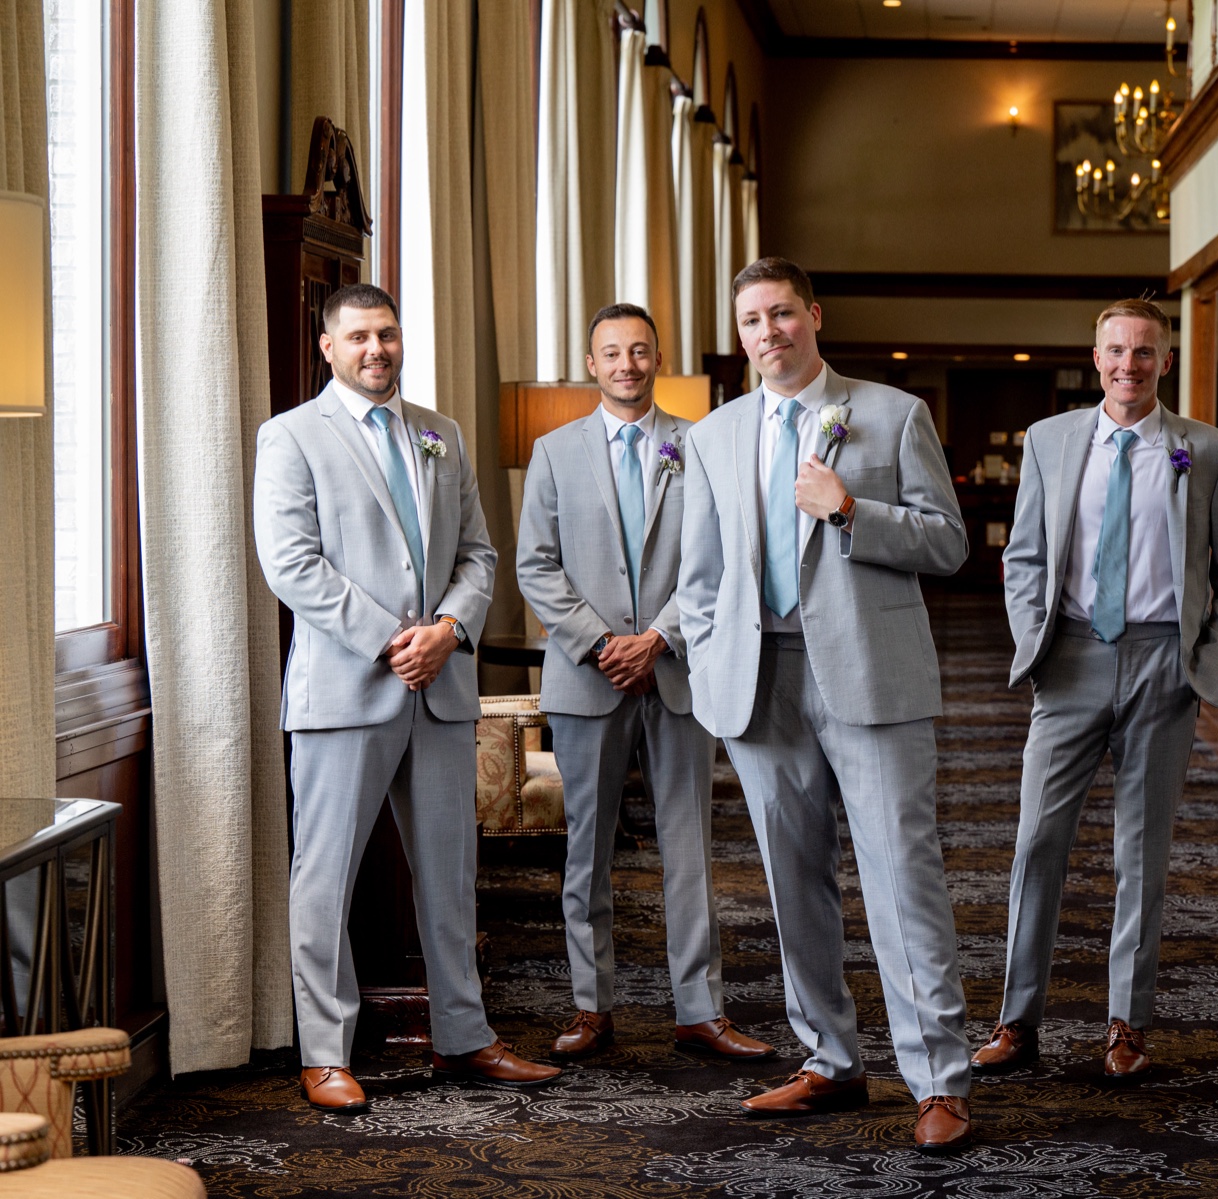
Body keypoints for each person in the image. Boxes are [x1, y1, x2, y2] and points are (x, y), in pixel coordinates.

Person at [676, 256, 974, 1152]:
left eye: (781, 315)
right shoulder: (715, 435)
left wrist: (851, 511)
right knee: (790, 881)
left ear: (814, 315)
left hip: (870, 676)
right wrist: (711, 662)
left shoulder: (892, 413)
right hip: (757, 682)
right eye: (751, 323)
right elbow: (700, 576)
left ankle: (941, 1080)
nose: (768, 334)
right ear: (740, 338)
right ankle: (828, 1060)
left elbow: (951, 543)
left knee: (899, 878)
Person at [254, 283, 560, 1112]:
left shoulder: (441, 433)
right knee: (325, 878)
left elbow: (478, 552)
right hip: (349, 690)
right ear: (328, 347)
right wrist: (396, 638)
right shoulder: (289, 437)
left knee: (451, 876)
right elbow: (291, 563)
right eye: (358, 338)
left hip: (441, 686)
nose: (376, 350)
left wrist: (451, 631)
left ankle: (464, 1035)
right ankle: (325, 1051)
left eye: (386, 334)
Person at [971, 299, 1218, 1082]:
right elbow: (1024, 556)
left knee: (1142, 851)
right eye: (1117, 350)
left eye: (1146, 351)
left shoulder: (1212, 452)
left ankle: (1128, 1022)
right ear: (1096, 358)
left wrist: (1212, 656)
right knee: (1036, 843)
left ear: (1165, 359)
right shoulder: (1051, 441)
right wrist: (1037, 640)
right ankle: (1017, 1020)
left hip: (1165, 662)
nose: (1130, 364)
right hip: (1072, 659)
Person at [516, 302, 774, 1064]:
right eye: (612, 352)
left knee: (688, 847)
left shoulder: (702, 446)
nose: (627, 364)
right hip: (587, 677)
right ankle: (591, 1007)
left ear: (656, 359)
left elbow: (722, 560)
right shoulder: (553, 451)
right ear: (590, 364)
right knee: (586, 851)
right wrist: (601, 643)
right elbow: (536, 564)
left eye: (640, 350)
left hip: (678, 670)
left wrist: (659, 635)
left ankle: (700, 1008)